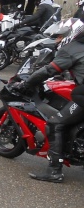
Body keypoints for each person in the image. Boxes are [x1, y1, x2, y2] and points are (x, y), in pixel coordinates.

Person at [16, 20, 84, 182]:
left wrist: (26, 83)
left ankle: (54, 170)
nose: (56, 40)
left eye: (60, 36)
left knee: (56, 124)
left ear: (71, 34)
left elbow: (48, 70)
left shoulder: (71, 49)